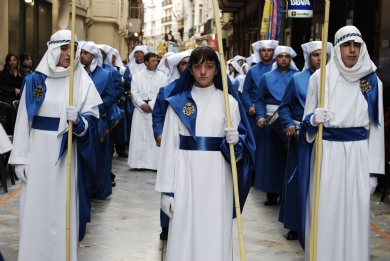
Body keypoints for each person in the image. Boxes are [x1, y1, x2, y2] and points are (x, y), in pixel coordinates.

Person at [9, 30, 102, 261]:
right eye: (63, 48)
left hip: (65, 156)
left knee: (62, 210)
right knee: (35, 209)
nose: (69, 54)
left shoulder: (82, 79)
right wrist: (20, 157)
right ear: (53, 50)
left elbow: (93, 123)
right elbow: (23, 120)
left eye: (73, 48)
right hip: (37, 154)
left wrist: (80, 121)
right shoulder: (35, 80)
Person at [155, 45, 255, 260]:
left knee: (214, 229)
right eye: (198, 66)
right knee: (184, 229)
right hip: (185, 175)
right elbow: (169, 147)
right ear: (190, 69)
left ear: (217, 70)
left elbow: (241, 151)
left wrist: (236, 143)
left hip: (218, 177)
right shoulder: (179, 103)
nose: (203, 72)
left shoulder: (229, 102)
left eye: (209, 67)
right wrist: (166, 190)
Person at [297, 26, 384, 260]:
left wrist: (373, 172)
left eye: (356, 45)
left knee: (354, 214)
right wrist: (313, 120)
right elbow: (306, 125)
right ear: (338, 48)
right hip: (327, 155)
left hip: (357, 156)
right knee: (325, 211)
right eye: (347, 45)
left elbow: (376, 127)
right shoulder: (320, 78)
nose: (352, 50)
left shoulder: (370, 82)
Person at [277, 41, 332, 241]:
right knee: (297, 179)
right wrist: (288, 123)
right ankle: (295, 223)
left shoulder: (334, 80)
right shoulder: (297, 79)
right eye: (315, 55)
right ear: (309, 57)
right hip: (301, 136)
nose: (319, 58)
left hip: (329, 139)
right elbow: (284, 106)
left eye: (323, 54)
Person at [152, 49, 191, 240]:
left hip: (192, 145)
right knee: (170, 180)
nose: (187, 66)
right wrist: (159, 133)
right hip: (171, 143)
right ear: (177, 67)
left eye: (190, 62)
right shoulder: (166, 90)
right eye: (183, 63)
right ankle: (166, 225)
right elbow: (158, 115)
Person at [254, 46, 299, 205]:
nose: (284, 59)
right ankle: (271, 193)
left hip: (290, 123)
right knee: (271, 160)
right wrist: (260, 116)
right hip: (270, 123)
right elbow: (259, 100)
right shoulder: (266, 77)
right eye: (281, 56)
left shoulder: (297, 77)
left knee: (288, 160)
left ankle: (286, 192)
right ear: (276, 58)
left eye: (287, 56)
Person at [81, 42, 116, 197]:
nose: (82, 56)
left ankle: (98, 189)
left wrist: (95, 110)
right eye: (80, 53)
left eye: (85, 53)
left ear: (93, 56)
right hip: (79, 121)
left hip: (99, 121)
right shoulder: (76, 73)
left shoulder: (105, 75)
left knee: (99, 156)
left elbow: (110, 97)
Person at [241, 40, 278, 179]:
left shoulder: (277, 69)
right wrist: (250, 106)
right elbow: (245, 92)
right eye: (264, 50)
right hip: (255, 114)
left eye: (269, 50)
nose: (266, 53)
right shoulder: (252, 71)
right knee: (255, 144)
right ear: (259, 52)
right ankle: (253, 172)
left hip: (273, 114)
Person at [128, 52, 167, 170]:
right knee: (138, 135)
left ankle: (152, 164)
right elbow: (134, 93)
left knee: (152, 135)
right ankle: (137, 163)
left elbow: (162, 92)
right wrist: (142, 105)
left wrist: (151, 105)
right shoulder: (137, 76)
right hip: (140, 111)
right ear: (146, 62)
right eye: (153, 61)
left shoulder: (163, 77)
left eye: (157, 61)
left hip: (154, 110)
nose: (156, 63)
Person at [120, 46, 148, 157]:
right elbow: (126, 80)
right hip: (131, 98)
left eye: (141, 52)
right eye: (136, 52)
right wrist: (130, 80)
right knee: (130, 119)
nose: (138, 54)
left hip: (145, 98)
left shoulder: (148, 66)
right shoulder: (129, 67)